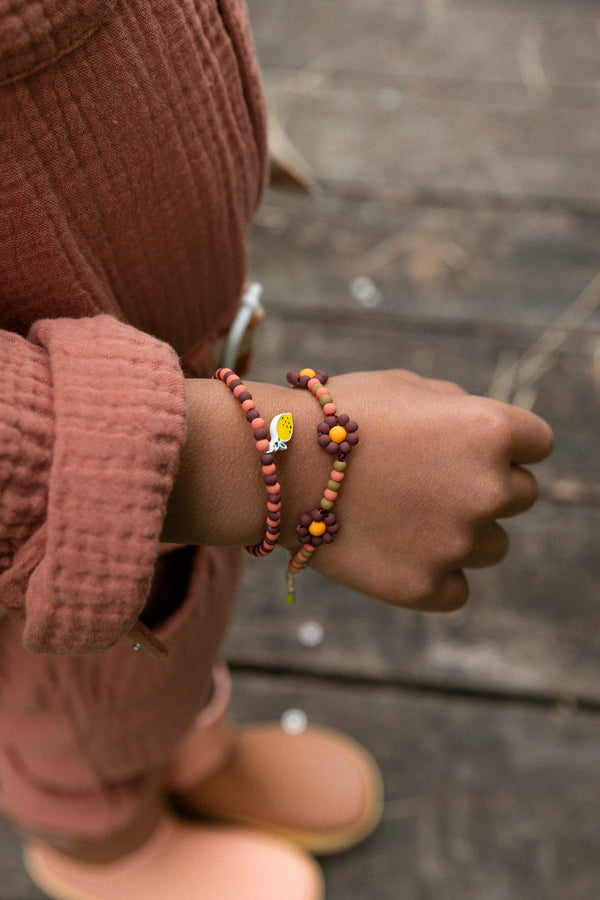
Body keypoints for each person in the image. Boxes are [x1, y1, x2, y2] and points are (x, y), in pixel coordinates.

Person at [0, 2, 553, 899]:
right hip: (38, 546)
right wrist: (282, 468)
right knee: (71, 707)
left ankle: (182, 747)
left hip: (176, 391)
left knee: (174, 625)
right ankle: (102, 843)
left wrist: (206, 107)